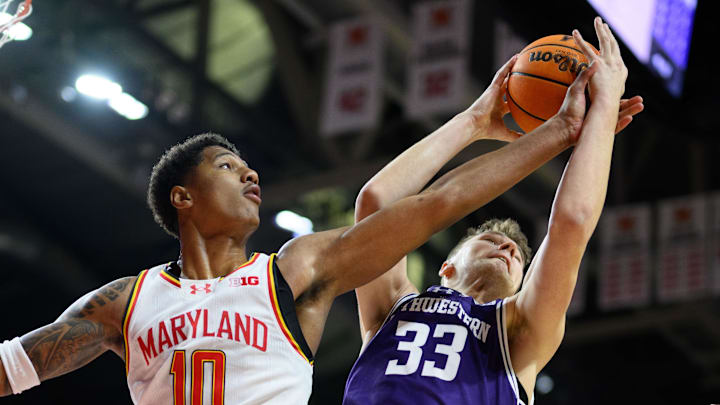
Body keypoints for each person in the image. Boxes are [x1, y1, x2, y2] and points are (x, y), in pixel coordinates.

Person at [0, 19, 641, 405]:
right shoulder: (123, 301)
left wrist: (560, 134)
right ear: (183, 198)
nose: (251, 172)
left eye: (248, 166)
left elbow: (433, 206)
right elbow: (16, 365)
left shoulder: (293, 273)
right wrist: (481, 120)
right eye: (228, 166)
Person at [343, 17, 642, 405]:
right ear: (446, 266)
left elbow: (572, 224)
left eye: (517, 255)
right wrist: (473, 122)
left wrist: (601, 111)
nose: (508, 249)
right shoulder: (393, 308)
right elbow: (376, 204)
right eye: (490, 240)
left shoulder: (519, 330)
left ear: (521, 285)